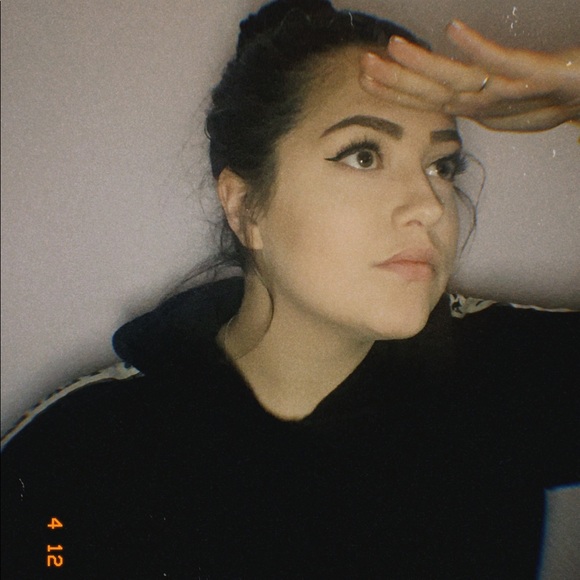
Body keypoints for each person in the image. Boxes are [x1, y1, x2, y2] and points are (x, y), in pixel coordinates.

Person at [2, 0, 579, 577]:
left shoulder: (507, 378)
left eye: (442, 166)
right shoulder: (78, 454)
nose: (429, 206)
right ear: (245, 207)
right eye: (363, 155)